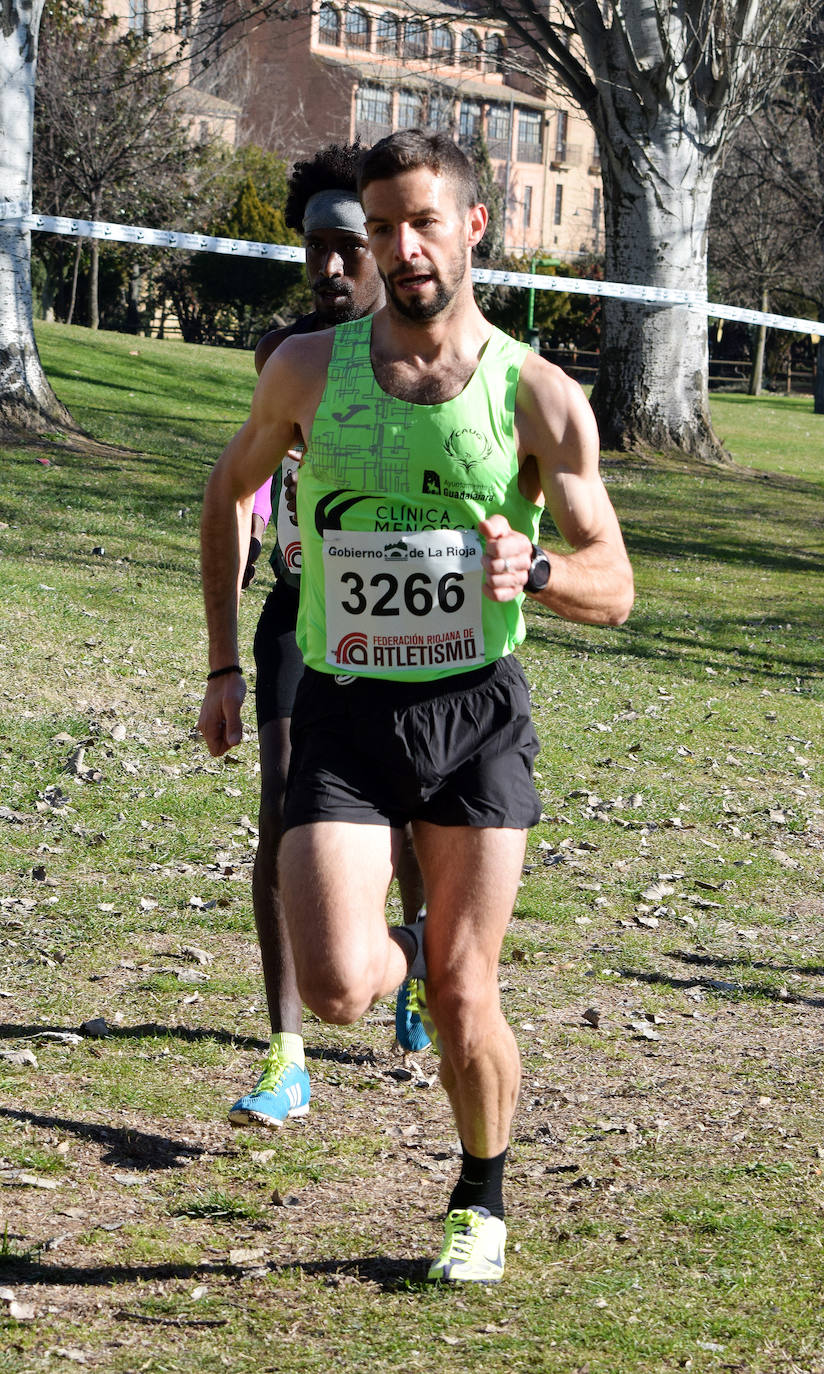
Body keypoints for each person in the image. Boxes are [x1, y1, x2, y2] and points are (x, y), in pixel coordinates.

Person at [199, 129, 634, 1282]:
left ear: (472, 227)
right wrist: (221, 666)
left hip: (473, 714)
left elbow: (616, 585)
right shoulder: (305, 369)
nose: (401, 248)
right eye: (381, 226)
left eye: (422, 222)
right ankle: (401, 943)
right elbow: (223, 493)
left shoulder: (540, 396)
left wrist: (531, 571)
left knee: (461, 992)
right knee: (339, 985)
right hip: (344, 707)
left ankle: (479, 1198)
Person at [226, 141, 428, 1136]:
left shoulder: (428, 353)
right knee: (281, 816)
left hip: (407, 622)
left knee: (409, 819)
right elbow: (237, 492)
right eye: (314, 248)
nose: (330, 267)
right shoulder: (285, 357)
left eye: (347, 245)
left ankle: (419, 957)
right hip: (303, 612)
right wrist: (221, 657)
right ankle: (286, 1054)